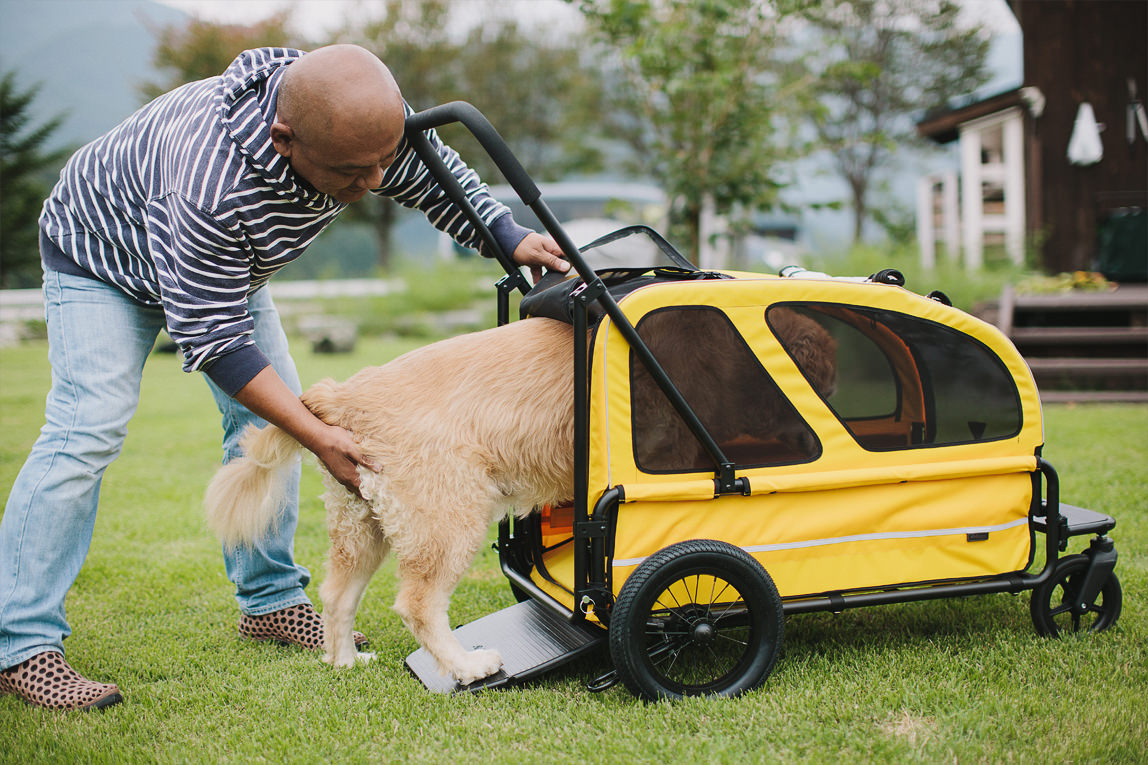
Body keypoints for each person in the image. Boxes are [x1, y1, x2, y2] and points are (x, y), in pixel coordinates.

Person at [0, 44, 568, 711]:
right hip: (101, 259)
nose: (375, 182)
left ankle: (269, 602)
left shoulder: (361, 117)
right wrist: (319, 436)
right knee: (86, 430)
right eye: (354, 173)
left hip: (223, 268)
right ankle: (22, 644)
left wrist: (507, 234)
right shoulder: (208, 182)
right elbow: (214, 337)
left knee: (266, 421)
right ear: (284, 138)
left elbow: (432, 176)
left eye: (383, 159)